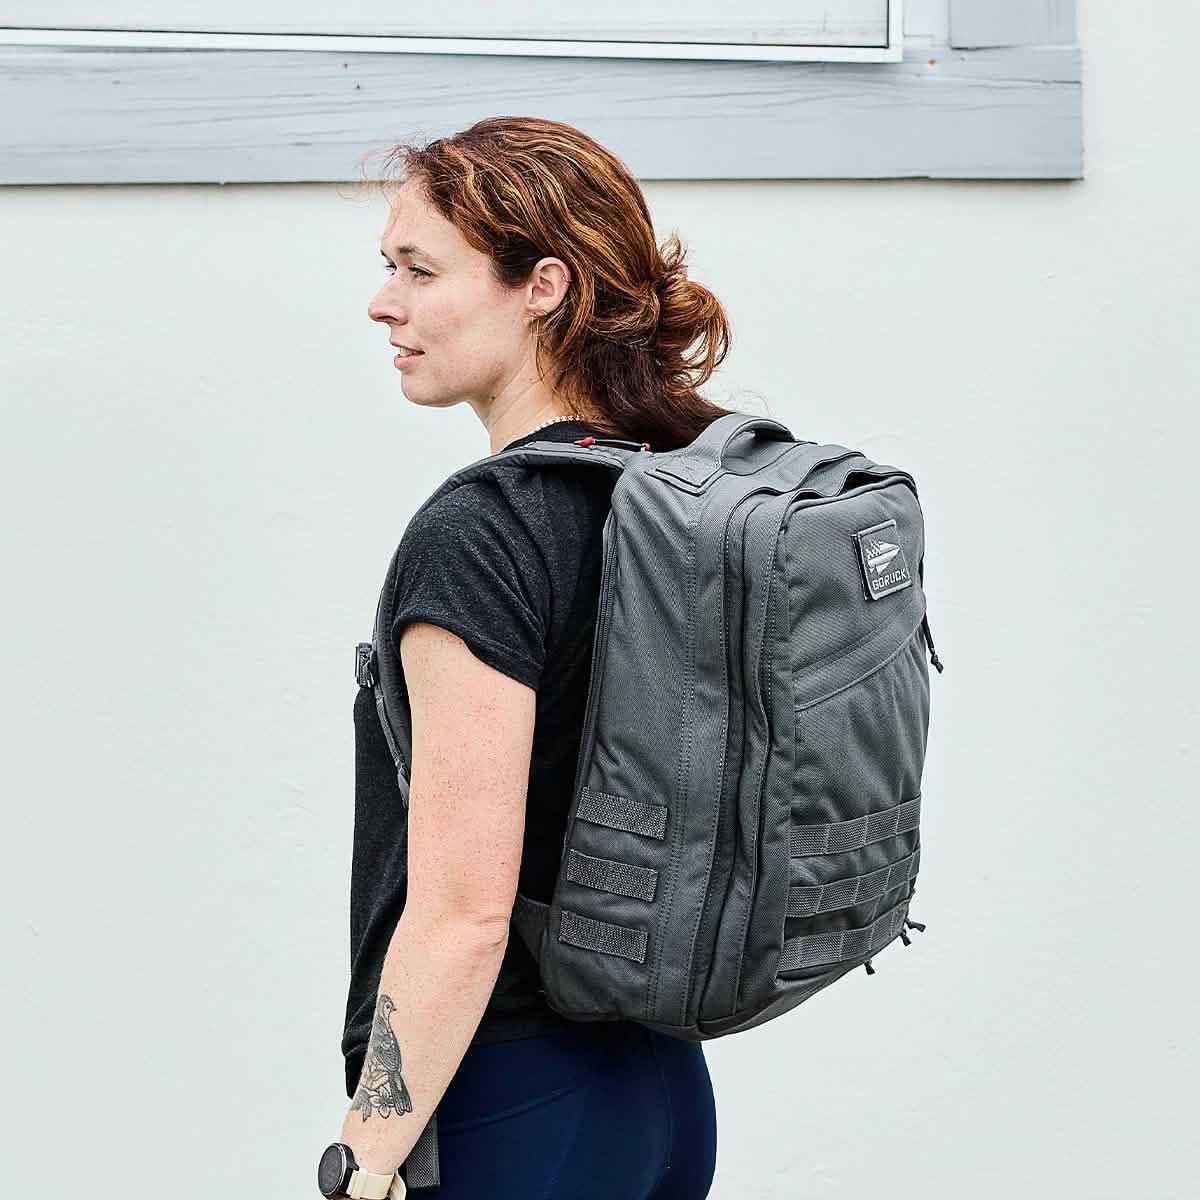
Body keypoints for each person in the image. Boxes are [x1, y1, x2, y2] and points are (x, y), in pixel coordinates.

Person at [337, 115, 740, 1198]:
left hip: (514, 1101)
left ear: (544, 286)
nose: (385, 303)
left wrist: (363, 1157)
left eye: (419, 270)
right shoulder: (671, 500)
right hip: (658, 1089)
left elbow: (465, 911)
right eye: (388, 269)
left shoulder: (485, 532)